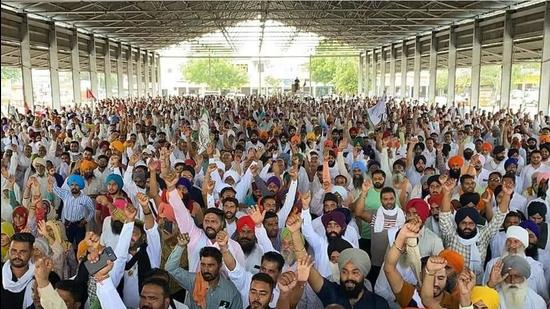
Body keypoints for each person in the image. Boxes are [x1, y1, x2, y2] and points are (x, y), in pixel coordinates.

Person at [439, 176, 512, 281]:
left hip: (477, 283)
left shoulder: (483, 234)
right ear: (458, 223)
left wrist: (507, 194)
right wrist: (446, 193)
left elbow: (499, 217)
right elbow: (444, 216)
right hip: (453, 284)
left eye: (471, 223)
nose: (467, 226)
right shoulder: (451, 235)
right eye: (463, 223)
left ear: (476, 223)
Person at [165, 238, 243, 309]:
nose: (205, 269)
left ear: (220, 265)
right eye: (203, 264)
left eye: (210, 265)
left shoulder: (230, 291)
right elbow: (171, 268)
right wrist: (180, 246)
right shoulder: (193, 281)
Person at [304, 247, 389, 308]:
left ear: (364, 275)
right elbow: (307, 267)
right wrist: (295, 233)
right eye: (344, 272)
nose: (349, 277)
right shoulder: (332, 292)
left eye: (355, 273)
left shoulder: (378, 304)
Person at [51, 174, 95, 247]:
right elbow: (54, 188)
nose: (74, 187)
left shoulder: (86, 199)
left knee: (80, 245)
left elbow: (92, 211)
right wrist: (51, 179)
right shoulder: (65, 194)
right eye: (72, 185)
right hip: (68, 225)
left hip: (79, 225)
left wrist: (86, 220)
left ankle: (79, 258)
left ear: (80, 186)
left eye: (76, 185)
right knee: (67, 245)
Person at [1, 232, 36, 308]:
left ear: (31, 252)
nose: (17, 255)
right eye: (13, 250)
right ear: (8, 250)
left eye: (23, 251)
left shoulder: (39, 276)